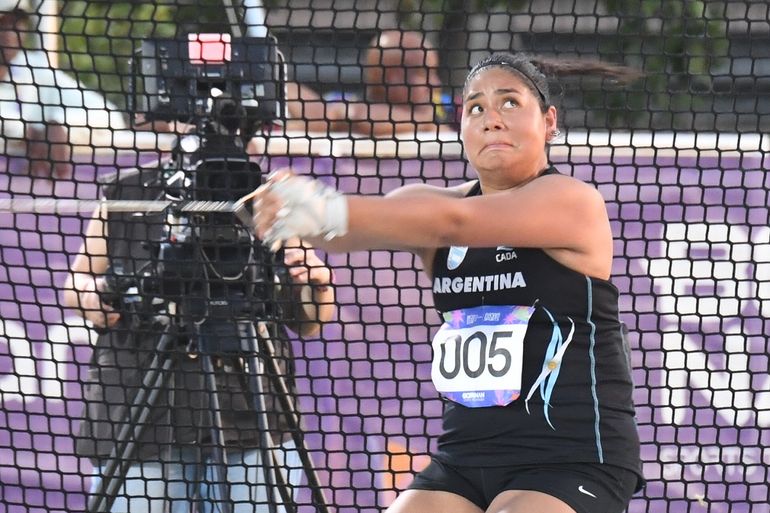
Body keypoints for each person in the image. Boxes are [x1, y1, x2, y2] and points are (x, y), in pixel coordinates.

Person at [252, 52, 644, 513]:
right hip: (464, 457)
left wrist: (328, 209)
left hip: (571, 456)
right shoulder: (426, 203)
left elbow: (455, 222)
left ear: (549, 122)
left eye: (510, 103)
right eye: (475, 108)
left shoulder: (572, 201)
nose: (491, 119)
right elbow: (358, 230)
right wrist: (292, 222)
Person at [62, 162, 335, 512]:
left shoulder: (268, 196)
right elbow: (78, 280)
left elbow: (308, 322)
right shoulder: (130, 191)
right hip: (139, 406)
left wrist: (317, 284)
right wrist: (90, 295)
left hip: (250, 411)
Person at [0, 0, 125, 179]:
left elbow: (110, 116)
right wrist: (27, 132)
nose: (13, 31)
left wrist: (60, 125)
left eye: (18, 22)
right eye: (3, 22)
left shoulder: (35, 69)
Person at [284, 30, 457, 138]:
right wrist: (424, 121)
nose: (435, 83)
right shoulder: (340, 103)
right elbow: (356, 116)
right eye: (423, 73)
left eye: (434, 72)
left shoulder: (451, 108)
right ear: (392, 76)